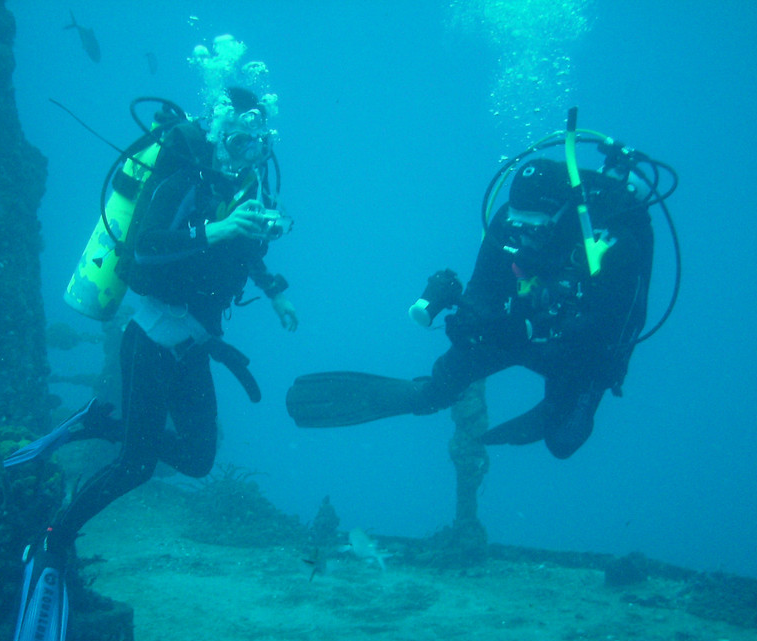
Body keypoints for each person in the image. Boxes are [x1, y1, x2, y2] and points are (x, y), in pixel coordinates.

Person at [0, 86, 297, 641]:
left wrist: (275, 291)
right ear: (216, 133)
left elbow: (246, 250)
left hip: (191, 343)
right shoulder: (183, 174)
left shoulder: (243, 188)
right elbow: (144, 254)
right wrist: (214, 226)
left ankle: (104, 423)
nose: (246, 154)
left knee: (197, 460)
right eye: (237, 140)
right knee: (135, 467)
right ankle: (54, 535)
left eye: (257, 144)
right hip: (151, 336)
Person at [287, 118, 676, 460]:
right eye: (516, 223)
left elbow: (607, 326)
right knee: (443, 381)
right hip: (522, 325)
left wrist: (530, 330)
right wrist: (467, 321)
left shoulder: (609, 241)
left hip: (579, 349)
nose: (522, 235)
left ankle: (573, 401)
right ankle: (421, 394)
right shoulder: (507, 221)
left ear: (560, 215)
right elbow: (483, 286)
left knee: (563, 442)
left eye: (534, 226)